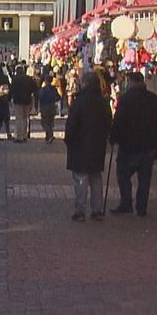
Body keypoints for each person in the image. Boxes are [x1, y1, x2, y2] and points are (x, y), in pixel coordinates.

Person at [109, 72, 157, 217]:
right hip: (149, 145)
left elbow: (118, 121)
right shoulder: (155, 100)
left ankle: (126, 203)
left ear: (131, 82)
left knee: (123, 174)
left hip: (129, 145)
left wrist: (113, 137)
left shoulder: (125, 100)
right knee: (145, 177)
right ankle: (141, 207)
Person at [63, 74, 112, 222]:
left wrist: (68, 140)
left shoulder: (79, 102)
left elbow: (71, 123)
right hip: (97, 145)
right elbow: (108, 122)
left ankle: (80, 210)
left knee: (81, 178)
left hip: (80, 145)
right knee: (95, 178)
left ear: (84, 84)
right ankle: (97, 210)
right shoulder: (103, 102)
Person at [9, 67, 38, 143]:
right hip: (27, 100)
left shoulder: (15, 79)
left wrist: (8, 98)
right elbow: (35, 89)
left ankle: (19, 137)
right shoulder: (29, 79)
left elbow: (11, 89)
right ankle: (25, 135)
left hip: (18, 100)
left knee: (19, 119)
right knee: (25, 118)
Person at [37, 79, 61, 144]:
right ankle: (49, 135)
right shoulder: (54, 89)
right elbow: (59, 97)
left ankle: (49, 135)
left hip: (45, 107)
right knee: (51, 121)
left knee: (45, 122)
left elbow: (40, 97)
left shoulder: (43, 90)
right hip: (52, 107)